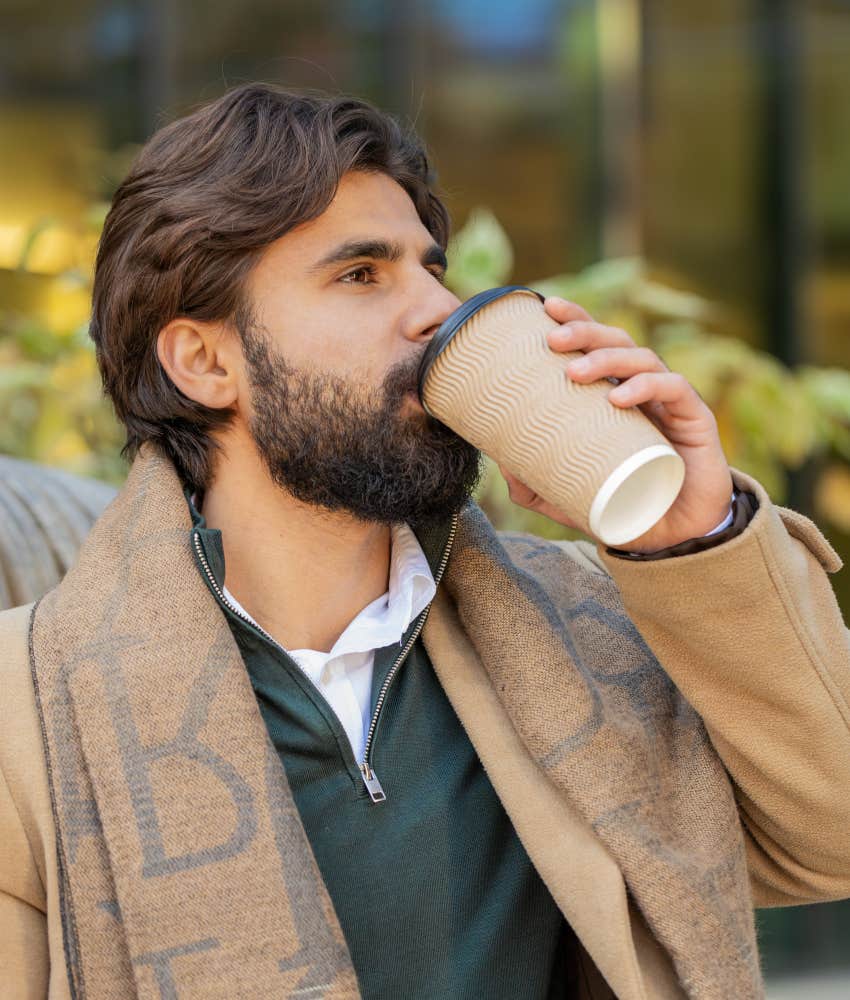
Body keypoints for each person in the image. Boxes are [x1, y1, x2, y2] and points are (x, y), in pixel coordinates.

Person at [1, 82, 848, 1000]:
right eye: (362, 274)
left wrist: (692, 544)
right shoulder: (29, 720)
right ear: (205, 362)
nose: (439, 309)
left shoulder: (596, 626)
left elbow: (831, 835)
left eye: (431, 268)